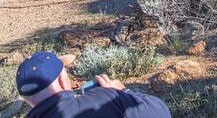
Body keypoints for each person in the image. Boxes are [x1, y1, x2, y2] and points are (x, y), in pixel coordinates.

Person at [16, 51, 171, 118]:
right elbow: (160, 112)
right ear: (63, 80)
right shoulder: (107, 98)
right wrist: (122, 91)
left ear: (26, 99)